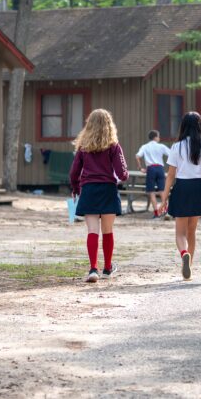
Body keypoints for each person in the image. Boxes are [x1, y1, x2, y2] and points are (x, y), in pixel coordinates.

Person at [69, 109, 129, 283]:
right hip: (108, 190)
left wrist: (75, 188)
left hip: (89, 189)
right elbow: (121, 172)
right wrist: (124, 175)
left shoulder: (83, 147)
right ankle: (107, 268)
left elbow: (74, 172)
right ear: (109, 125)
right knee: (108, 231)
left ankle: (93, 269)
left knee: (92, 231)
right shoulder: (114, 146)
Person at [160, 112, 201, 281]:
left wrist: (164, 197)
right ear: (200, 126)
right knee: (192, 231)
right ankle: (189, 265)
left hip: (181, 187)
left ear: (183, 126)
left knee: (180, 232)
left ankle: (184, 254)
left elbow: (170, 175)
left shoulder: (177, 147)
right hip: (198, 188)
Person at [135, 130, 171, 219]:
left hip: (150, 169)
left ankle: (156, 213)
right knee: (162, 190)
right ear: (155, 137)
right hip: (160, 168)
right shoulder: (161, 146)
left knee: (151, 192)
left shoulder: (145, 146)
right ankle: (165, 210)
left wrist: (140, 168)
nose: (159, 138)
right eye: (158, 136)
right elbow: (171, 154)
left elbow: (137, 156)